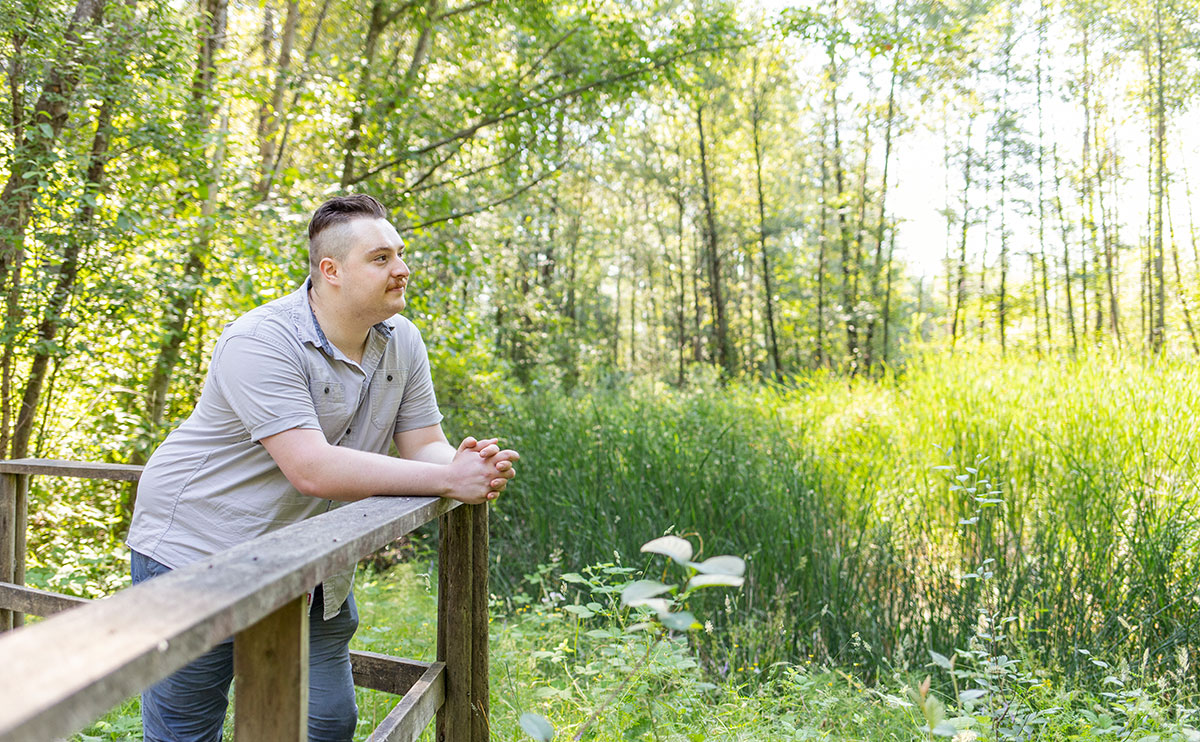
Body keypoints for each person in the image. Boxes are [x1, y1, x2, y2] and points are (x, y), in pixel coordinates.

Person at [125, 193, 517, 742]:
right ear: (329, 270)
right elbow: (310, 467)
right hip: (197, 550)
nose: (402, 269)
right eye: (381, 259)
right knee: (186, 733)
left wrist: (460, 462)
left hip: (311, 559)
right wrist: (449, 480)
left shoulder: (402, 340)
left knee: (327, 721)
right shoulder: (260, 340)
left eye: (400, 254)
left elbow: (424, 443)